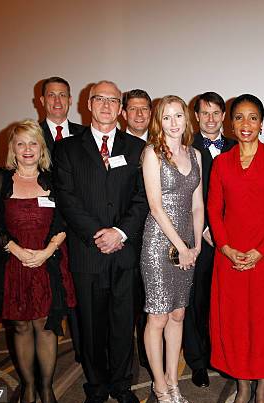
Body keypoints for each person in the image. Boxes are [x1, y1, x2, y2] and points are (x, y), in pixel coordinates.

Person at [53, 80, 148, 403]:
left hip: (124, 252)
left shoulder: (136, 148)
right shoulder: (67, 148)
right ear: (87, 105)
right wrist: (98, 234)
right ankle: (95, 387)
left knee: (123, 324)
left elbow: (142, 199)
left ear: (121, 109)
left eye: (113, 100)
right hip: (88, 252)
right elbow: (66, 198)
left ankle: (123, 386)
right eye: (100, 100)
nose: (107, 106)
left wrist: (119, 233)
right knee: (91, 325)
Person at [0, 119, 77, 403]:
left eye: (33, 143)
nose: (27, 149)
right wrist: (17, 250)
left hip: (48, 263)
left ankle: (47, 389)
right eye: (20, 143)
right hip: (13, 264)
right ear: (12, 148)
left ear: (41, 148)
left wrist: (47, 251)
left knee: (46, 326)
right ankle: (28, 387)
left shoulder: (52, 180)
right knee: (22, 328)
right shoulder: (0, 181)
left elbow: (64, 219)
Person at [208, 94, 264, 403]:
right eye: (239, 117)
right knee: (235, 323)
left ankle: (261, 391)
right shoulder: (221, 162)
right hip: (229, 257)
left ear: (262, 123)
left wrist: (261, 251)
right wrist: (226, 249)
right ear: (230, 123)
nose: (245, 124)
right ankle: (242, 387)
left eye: (252, 117)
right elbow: (215, 210)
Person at [140, 95, 203, 403]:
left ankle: (173, 381)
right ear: (158, 121)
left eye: (179, 116)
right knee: (159, 316)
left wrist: (197, 245)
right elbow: (155, 206)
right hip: (159, 244)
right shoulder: (152, 153)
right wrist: (180, 246)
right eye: (167, 117)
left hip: (188, 245)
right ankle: (160, 385)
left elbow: (197, 204)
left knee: (178, 314)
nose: (174, 123)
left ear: (186, 119)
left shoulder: (196, 154)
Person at [184, 91, 236, 388]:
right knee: (197, 301)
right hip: (198, 237)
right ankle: (198, 362)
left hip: (231, 238)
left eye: (217, 113)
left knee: (226, 302)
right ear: (197, 116)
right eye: (205, 113)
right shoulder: (186, 148)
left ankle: (223, 356)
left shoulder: (237, 145)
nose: (211, 118)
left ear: (223, 116)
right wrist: (204, 229)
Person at [121, 88, 151, 370]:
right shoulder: (113, 147)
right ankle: (125, 360)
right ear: (124, 113)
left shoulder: (164, 143)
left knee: (152, 300)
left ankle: (148, 354)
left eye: (144, 109)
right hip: (127, 238)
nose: (139, 114)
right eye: (133, 109)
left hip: (157, 236)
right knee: (126, 302)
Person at [39, 76, 85, 155]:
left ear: (70, 100)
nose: (57, 101)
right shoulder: (32, 134)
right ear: (43, 101)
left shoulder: (85, 134)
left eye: (62, 95)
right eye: (51, 95)